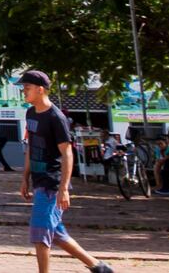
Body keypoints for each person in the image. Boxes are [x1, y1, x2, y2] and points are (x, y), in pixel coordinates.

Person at [19, 70, 116, 273]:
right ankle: (99, 267)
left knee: (40, 230)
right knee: (56, 233)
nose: (23, 91)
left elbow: (67, 153)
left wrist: (63, 188)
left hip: (52, 183)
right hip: (39, 181)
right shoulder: (30, 114)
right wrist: (25, 177)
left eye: (27, 88)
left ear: (40, 89)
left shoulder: (56, 117)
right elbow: (31, 147)